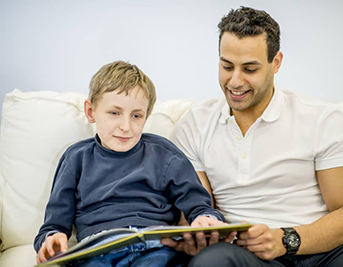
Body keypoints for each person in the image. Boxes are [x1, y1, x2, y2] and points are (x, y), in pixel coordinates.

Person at [164, 6, 343, 266]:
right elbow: (195, 210)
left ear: (275, 62)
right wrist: (196, 235)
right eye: (227, 66)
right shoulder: (194, 125)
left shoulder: (320, 118)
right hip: (246, 256)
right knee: (214, 261)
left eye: (250, 69)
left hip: (324, 254)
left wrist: (284, 240)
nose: (234, 81)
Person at [34, 60, 226, 267]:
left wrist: (206, 218)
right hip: (98, 250)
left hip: (156, 246)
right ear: (91, 111)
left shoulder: (164, 153)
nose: (126, 126)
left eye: (136, 116)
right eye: (114, 113)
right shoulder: (76, 158)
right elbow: (54, 224)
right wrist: (52, 238)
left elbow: (198, 204)